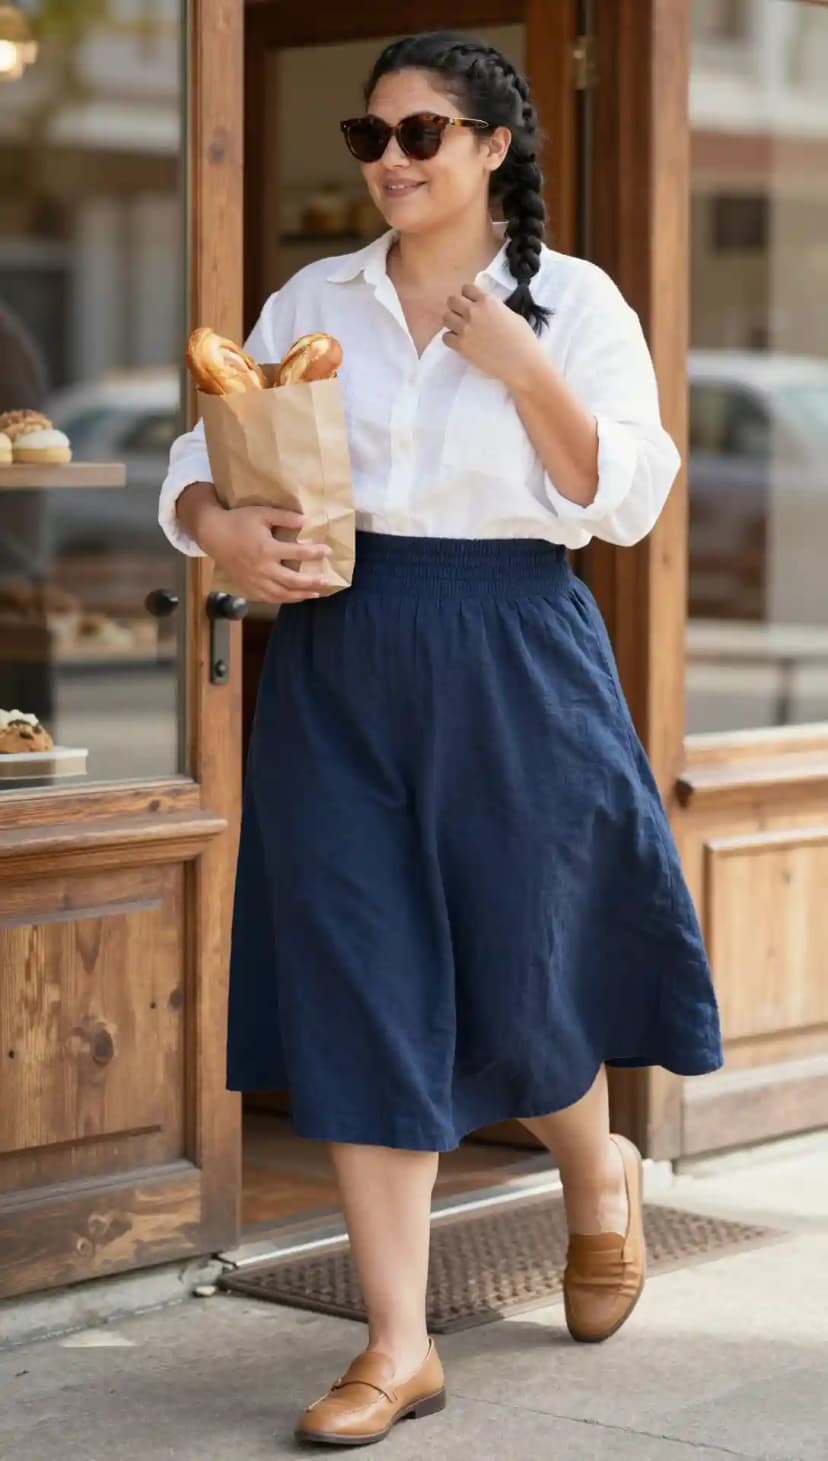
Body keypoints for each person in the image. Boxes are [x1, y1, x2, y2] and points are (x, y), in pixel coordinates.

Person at [159, 30, 723, 1449]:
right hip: (343, 658)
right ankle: (398, 1342)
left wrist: (522, 361)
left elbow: (627, 500)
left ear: (491, 150)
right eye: (373, 137)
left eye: (422, 135)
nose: (392, 161)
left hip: (515, 645)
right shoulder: (313, 296)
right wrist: (223, 529)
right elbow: (200, 457)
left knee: (527, 983)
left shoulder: (575, 302)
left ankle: (599, 1173)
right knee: (364, 986)